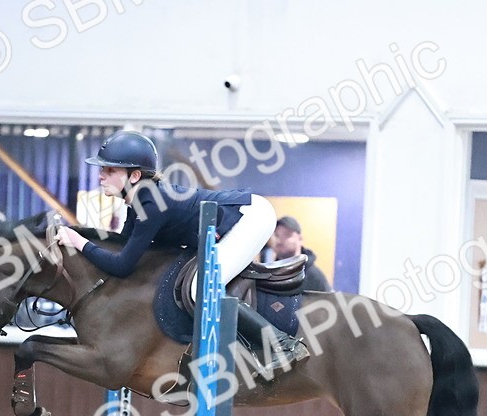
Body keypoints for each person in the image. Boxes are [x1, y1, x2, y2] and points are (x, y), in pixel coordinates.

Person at [53, 131, 309, 373]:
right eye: (102, 169)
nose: (101, 176)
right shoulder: (138, 202)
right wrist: (82, 237)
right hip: (238, 215)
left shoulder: (149, 203)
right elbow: (121, 248)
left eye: (110, 170)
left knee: (202, 288)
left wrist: (79, 241)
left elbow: (122, 265)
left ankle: (282, 344)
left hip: (251, 218)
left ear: (134, 176)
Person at [262, 215, 333, 292]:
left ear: (300, 239)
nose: (279, 241)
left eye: (286, 235)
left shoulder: (315, 277)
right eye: (277, 235)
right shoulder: (270, 274)